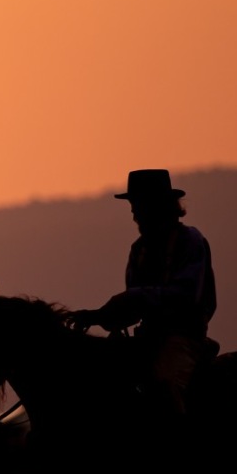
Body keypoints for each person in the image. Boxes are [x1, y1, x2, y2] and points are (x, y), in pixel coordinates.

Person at [69, 169, 218, 415]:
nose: (134, 214)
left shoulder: (189, 241)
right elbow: (132, 310)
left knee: (166, 384)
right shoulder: (138, 250)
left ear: (158, 206)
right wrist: (98, 316)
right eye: (133, 206)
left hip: (183, 338)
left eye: (138, 206)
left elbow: (185, 295)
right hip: (147, 338)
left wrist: (130, 299)